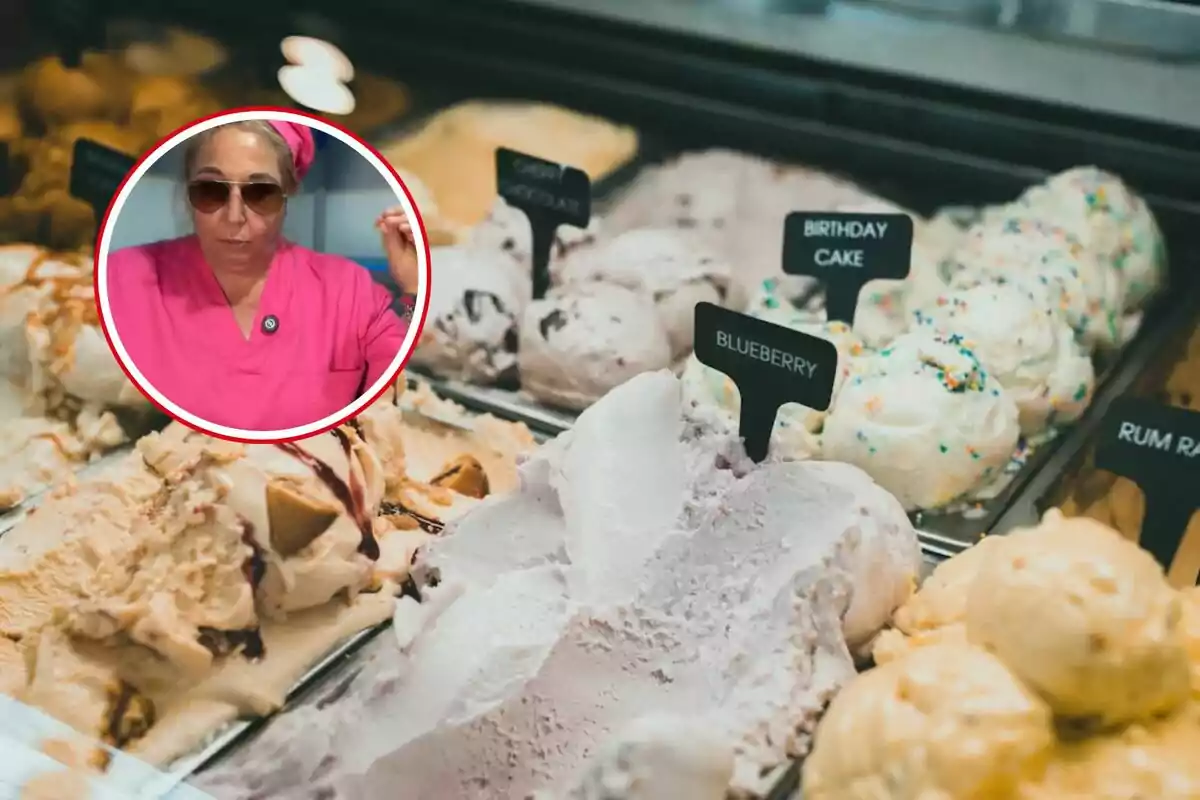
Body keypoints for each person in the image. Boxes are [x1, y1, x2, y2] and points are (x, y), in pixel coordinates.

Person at [105, 119, 421, 431]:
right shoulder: (124, 280)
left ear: (288, 194)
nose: (234, 216)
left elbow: (390, 383)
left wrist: (413, 287)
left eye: (260, 194)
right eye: (211, 191)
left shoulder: (347, 288)